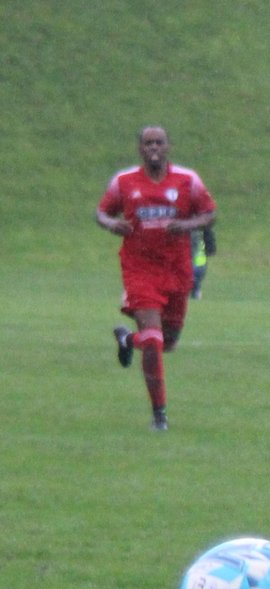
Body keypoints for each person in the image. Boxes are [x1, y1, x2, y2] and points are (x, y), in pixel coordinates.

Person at [96, 126, 217, 430]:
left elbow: (210, 214)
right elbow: (102, 212)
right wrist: (112, 224)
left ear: (168, 147)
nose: (153, 147)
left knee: (169, 342)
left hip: (176, 270)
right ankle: (159, 415)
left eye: (159, 142)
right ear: (140, 148)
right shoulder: (124, 182)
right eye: (148, 142)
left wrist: (189, 224)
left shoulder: (188, 181)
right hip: (140, 270)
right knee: (153, 338)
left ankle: (127, 339)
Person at [190, 224, 217, 299]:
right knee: (196, 280)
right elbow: (209, 236)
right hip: (199, 262)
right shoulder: (202, 221)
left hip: (194, 262)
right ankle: (196, 293)